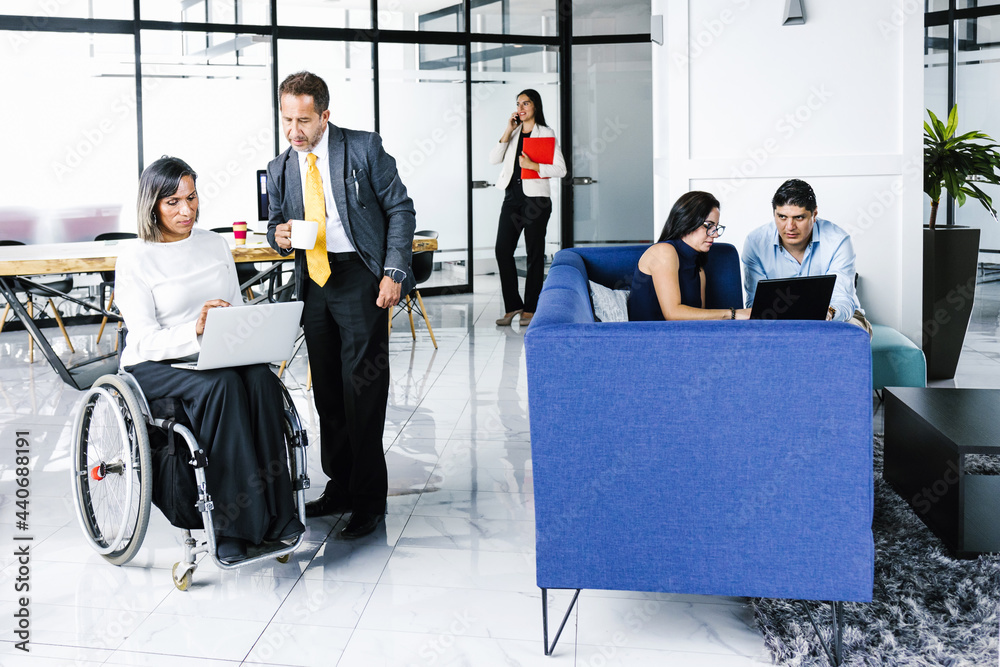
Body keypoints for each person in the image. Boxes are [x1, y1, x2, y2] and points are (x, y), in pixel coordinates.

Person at [115, 156, 304, 564]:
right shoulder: (135, 258)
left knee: (260, 379)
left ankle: (278, 515)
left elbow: (235, 308)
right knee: (222, 388)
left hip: (214, 354)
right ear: (152, 206)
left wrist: (249, 335)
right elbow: (144, 339)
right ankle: (233, 526)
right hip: (154, 364)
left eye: (192, 198)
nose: (186, 210)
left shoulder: (215, 244)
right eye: (173, 202)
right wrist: (195, 331)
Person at [266, 71, 416, 539]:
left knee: (362, 390)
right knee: (328, 391)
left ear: (325, 115)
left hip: (359, 275)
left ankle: (370, 500)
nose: (294, 131)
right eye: (287, 119)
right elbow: (274, 223)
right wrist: (278, 235)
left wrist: (394, 272)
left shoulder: (363, 148)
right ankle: (341, 486)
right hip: (312, 278)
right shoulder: (280, 167)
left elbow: (400, 209)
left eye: (304, 121)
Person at [743, 179, 872, 335]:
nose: (789, 227)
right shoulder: (755, 242)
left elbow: (843, 298)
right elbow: (754, 304)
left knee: (849, 334)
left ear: (814, 214)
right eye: (782, 217)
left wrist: (828, 313)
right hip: (777, 318)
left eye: (799, 218)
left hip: (836, 316)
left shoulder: (838, 240)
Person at [490, 89, 567, 327]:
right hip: (512, 199)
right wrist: (507, 130)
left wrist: (533, 165)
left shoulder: (546, 133)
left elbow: (561, 170)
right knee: (503, 250)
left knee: (534, 254)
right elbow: (494, 159)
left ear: (536, 107)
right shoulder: (512, 134)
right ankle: (513, 305)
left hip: (536, 201)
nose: (521, 108)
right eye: (518, 104)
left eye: (526, 103)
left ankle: (531, 308)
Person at [628, 191, 751, 321]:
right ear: (687, 221)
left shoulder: (699, 269)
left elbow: (699, 320)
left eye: (716, 227)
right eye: (709, 226)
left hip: (684, 338)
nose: (715, 234)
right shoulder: (664, 251)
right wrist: (733, 314)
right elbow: (673, 314)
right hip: (649, 338)